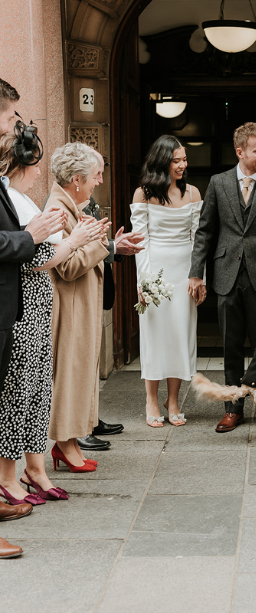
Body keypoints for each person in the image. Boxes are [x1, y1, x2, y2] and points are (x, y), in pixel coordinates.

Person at [0, 127, 106, 505]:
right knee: (19, 393)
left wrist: (81, 242)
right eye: (34, 164)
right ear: (19, 165)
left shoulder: (23, 200)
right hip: (23, 306)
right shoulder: (15, 201)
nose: (40, 172)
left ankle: (37, 467)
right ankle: (9, 476)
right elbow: (35, 260)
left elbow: (41, 257)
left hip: (38, 304)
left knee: (38, 394)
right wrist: (78, 242)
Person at [189, 122, 256, 433]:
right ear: (240, 152)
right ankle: (233, 408)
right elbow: (205, 232)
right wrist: (197, 273)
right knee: (231, 345)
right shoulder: (218, 183)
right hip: (227, 275)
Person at [0, 79, 68, 559]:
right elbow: (20, 249)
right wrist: (32, 235)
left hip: (19, 307)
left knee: (30, 397)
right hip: (14, 307)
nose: (14, 126)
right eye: (9, 117)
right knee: (14, 402)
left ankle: (30, 470)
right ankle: (15, 477)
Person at [46, 142, 112, 473]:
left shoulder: (72, 205)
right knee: (70, 375)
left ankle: (70, 443)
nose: (99, 181)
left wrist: (103, 242)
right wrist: (99, 244)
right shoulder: (57, 209)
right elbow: (67, 267)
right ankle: (63, 444)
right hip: (70, 307)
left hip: (79, 302)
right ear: (76, 179)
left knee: (79, 373)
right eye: (94, 176)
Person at [131, 135, 202, 427]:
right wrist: (144, 282)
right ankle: (151, 398)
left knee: (180, 334)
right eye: (177, 160)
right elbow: (140, 240)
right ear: (163, 162)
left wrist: (200, 277)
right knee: (154, 334)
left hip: (185, 269)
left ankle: (173, 400)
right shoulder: (143, 194)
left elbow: (199, 239)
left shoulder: (194, 193)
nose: (183, 165)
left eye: (184, 159)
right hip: (155, 269)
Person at [78, 149, 143, 453]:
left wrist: (113, 247)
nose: (102, 179)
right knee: (77, 365)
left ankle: (90, 419)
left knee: (91, 363)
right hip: (78, 294)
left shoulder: (88, 202)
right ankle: (78, 428)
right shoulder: (67, 206)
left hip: (96, 289)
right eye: (98, 173)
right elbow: (73, 253)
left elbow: (95, 245)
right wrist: (113, 245)